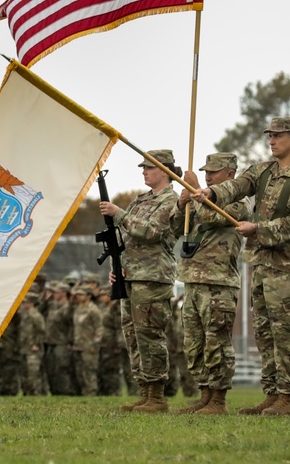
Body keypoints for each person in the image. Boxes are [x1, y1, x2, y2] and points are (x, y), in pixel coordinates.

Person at [194, 117, 290, 416]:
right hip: (262, 265)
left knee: (287, 333)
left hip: (289, 269)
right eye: (270, 135)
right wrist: (212, 193)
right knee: (264, 332)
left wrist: (258, 230)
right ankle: (272, 393)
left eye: (278, 135)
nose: (272, 140)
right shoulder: (262, 170)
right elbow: (238, 185)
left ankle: (287, 398)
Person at [99, 149, 179, 413]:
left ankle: (157, 397)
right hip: (132, 276)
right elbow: (124, 240)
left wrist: (119, 213)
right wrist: (116, 267)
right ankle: (145, 392)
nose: (144, 171)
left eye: (149, 167)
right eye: (143, 167)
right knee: (132, 335)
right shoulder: (140, 200)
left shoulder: (171, 201)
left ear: (165, 171)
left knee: (149, 335)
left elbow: (151, 232)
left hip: (153, 278)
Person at [170, 152, 248, 415]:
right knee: (194, 344)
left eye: (214, 172)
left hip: (219, 283)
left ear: (230, 174)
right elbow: (173, 227)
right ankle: (205, 394)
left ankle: (218, 400)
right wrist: (182, 204)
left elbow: (215, 217)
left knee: (217, 342)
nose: (208, 176)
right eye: (206, 172)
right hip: (192, 280)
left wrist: (194, 191)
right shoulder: (199, 197)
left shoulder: (240, 201)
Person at [70, 284, 102, 396]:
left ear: (89, 296)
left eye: (81, 294)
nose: (78, 296)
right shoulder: (78, 308)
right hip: (78, 345)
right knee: (80, 372)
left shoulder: (93, 310)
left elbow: (99, 328)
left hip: (89, 346)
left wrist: (95, 345)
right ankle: (84, 393)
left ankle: (91, 393)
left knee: (89, 371)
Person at [16, 288, 45, 395]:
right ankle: (27, 393)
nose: (23, 304)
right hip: (24, 347)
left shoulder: (36, 316)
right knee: (24, 373)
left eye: (25, 302)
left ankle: (36, 393)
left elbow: (41, 331)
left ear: (32, 303)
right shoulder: (24, 314)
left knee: (33, 373)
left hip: (33, 349)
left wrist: (37, 344)